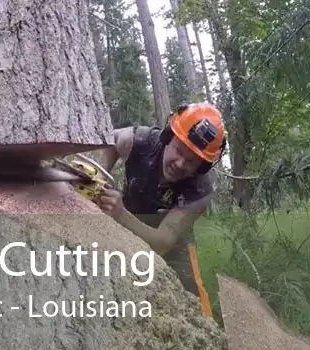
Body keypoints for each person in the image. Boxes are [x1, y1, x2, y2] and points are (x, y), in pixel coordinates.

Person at [94, 102, 227, 319]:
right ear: (167, 137)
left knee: (194, 301)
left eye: (191, 161)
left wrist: (120, 215)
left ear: (202, 167)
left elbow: (164, 243)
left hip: (173, 241)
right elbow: (112, 140)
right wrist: (100, 177)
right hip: (129, 218)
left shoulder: (200, 190)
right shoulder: (142, 140)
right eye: (178, 150)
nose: (180, 163)